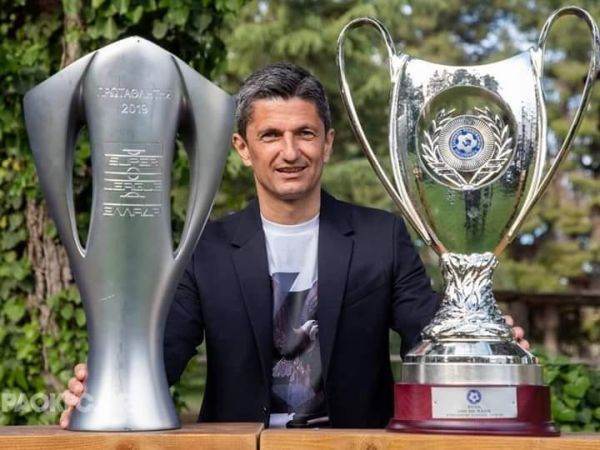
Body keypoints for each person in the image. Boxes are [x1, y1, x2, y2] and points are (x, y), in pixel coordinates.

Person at [60, 62, 529, 429]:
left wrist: (474, 340)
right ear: (243, 148)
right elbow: (162, 355)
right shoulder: (206, 247)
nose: (290, 152)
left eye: (305, 133)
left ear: (327, 143)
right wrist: (108, 386)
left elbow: (423, 332)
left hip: (355, 447)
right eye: (270, 135)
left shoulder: (380, 236)